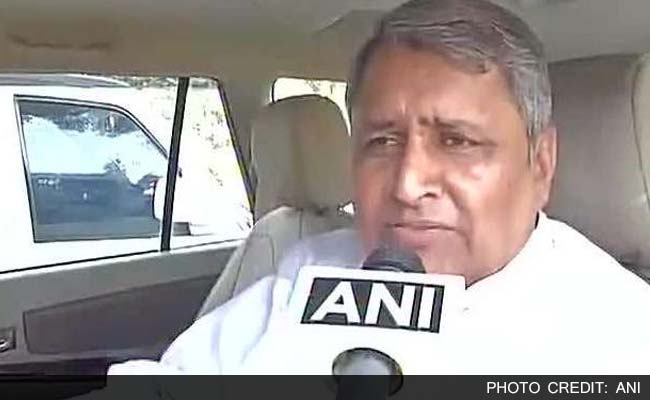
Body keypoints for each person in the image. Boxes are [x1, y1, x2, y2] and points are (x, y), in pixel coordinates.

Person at [109, 0, 650, 374]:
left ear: (541, 165)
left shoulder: (620, 332)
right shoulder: (311, 271)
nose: (408, 185)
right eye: (383, 142)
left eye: (457, 141)